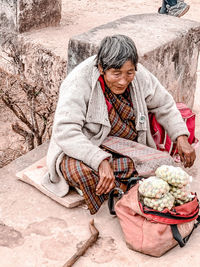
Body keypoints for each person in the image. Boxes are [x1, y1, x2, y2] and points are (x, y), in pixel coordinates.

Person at [42, 34, 196, 214]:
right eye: (116, 74)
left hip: (124, 144)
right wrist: (100, 160)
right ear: (101, 68)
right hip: (88, 144)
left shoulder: (139, 75)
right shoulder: (78, 82)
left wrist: (181, 137)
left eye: (129, 73)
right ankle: (124, 183)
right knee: (77, 171)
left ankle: (115, 184)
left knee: (161, 164)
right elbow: (65, 132)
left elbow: (165, 104)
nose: (123, 80)